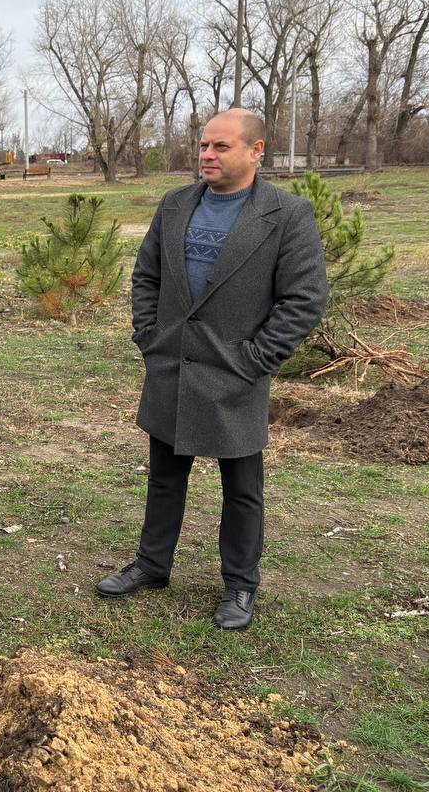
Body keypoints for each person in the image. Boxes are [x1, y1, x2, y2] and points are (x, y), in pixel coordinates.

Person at [95, 108, 327, 631]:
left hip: (235, 374)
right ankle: (153, 566)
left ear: (256, 151)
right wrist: (150, 338)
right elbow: (145, 275)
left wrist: (255, 360)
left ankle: (240, 586)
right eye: (204, 145)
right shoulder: (175, 205)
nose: (207, 155)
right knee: (163, 478)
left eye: (221, 147)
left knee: (242, 490)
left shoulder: (287, 216)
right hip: (172, 366)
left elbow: (304, 299)